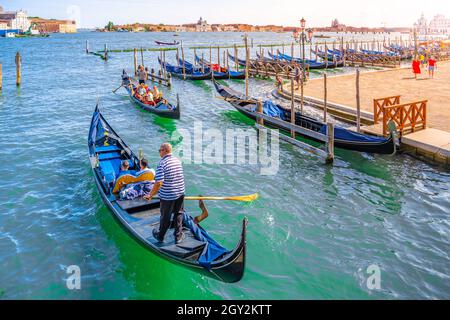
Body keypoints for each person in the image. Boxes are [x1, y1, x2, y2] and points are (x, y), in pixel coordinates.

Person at [144, 143, 186, 244]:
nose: (159, 152)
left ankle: (160, 236)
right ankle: (178, 236)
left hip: (168, 196)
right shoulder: (177, 160)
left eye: (160, 150)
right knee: (178, 214)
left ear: (164, 151)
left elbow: (158, 182)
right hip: (180, 192)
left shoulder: (162, 163)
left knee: (165, 217)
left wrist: (150, 195)